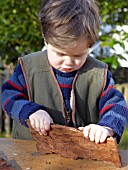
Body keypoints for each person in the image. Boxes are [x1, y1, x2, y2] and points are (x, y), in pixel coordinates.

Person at [2, 0, 128, 144]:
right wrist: (30, 112)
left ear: (89, 46)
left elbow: (117, 105)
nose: (68, 62)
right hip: (29, 152)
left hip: (82, 155)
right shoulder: (28, 68)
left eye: (78, 55)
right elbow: (8, 95)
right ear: (46, 39)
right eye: (60, 54)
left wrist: (107, 127)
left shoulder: (98, 75)